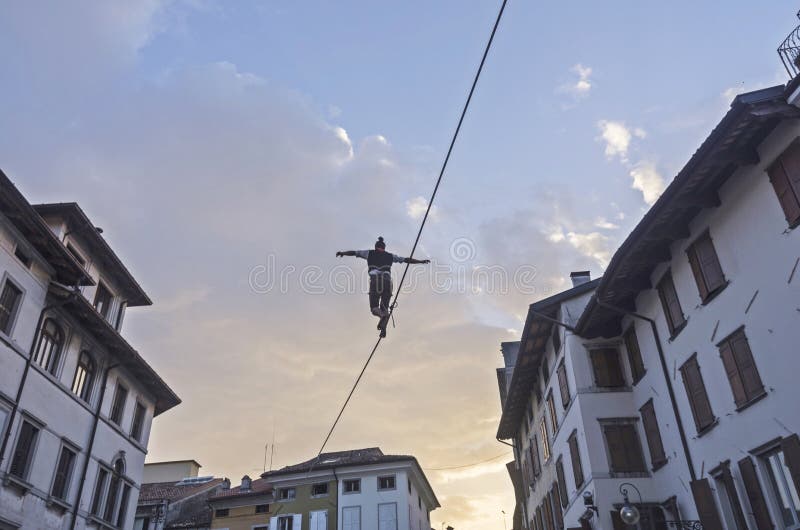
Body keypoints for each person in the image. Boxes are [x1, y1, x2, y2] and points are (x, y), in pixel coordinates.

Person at [336, 237, 430, 323]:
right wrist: (420, 262)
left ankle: (382, 316)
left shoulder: (369, 253)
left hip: (376, 281)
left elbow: (354, 252)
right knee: (384, 307)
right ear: (384, 248)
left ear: (375, 246)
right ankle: (384, 316)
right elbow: (406, 259)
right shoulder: (390, 256)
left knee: (374, 308)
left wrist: (343, 253)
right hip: (387, 283)